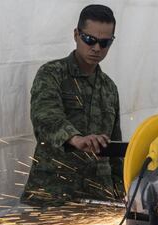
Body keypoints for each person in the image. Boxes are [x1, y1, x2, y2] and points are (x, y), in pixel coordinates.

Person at [21, 4, 123, 207]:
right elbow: (45, 117)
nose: (96, 48)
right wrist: (75, 139)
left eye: (104, 43)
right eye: (89, 40)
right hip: (53, 193)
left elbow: (114, 150)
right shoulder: (52, 74)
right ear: (76, 34)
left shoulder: (109, 88)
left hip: (98, 198)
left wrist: (121, 194)